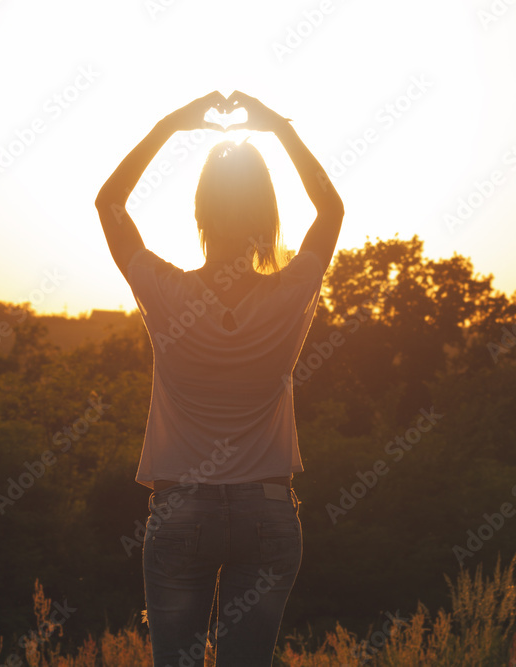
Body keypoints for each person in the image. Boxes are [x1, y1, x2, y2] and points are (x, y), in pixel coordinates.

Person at [95, 90, 343, 666]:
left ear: (200, 216)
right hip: (268, 512)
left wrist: (169, 126)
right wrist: (280, 129)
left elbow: (110, 204)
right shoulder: (290, 291)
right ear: (266, 219)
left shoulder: (168, 293)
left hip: (182, 508)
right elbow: (331, 212)